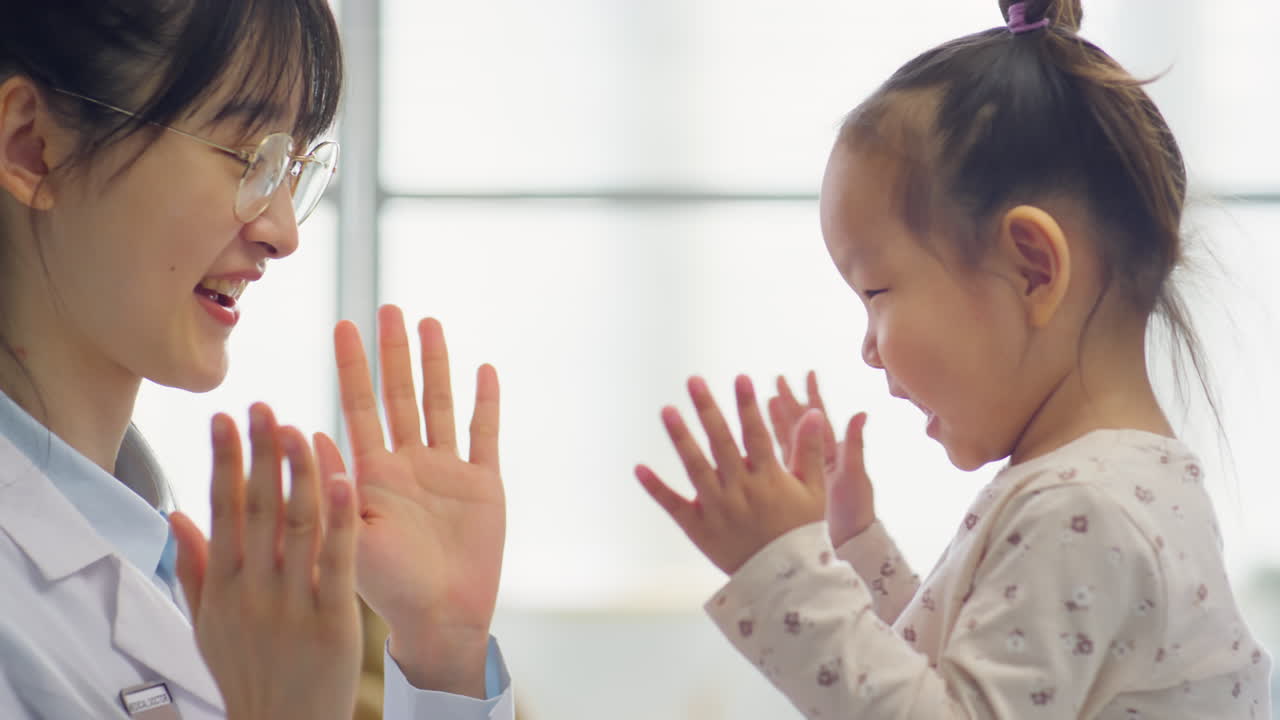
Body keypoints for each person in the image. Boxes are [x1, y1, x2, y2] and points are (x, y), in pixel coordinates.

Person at [637, 1, 1272, 717]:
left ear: (1032, 269)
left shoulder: (1081, 507)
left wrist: (782, 571)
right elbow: (977, 678)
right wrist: (854, 546)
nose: (868, 348)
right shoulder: (1119, 486)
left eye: (876, 290)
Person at [0, 2, 513, 719]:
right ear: (32, 146)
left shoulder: (149, 551)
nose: (282, 232)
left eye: (294, 166)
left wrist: (442, 658)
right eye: (250, 156)